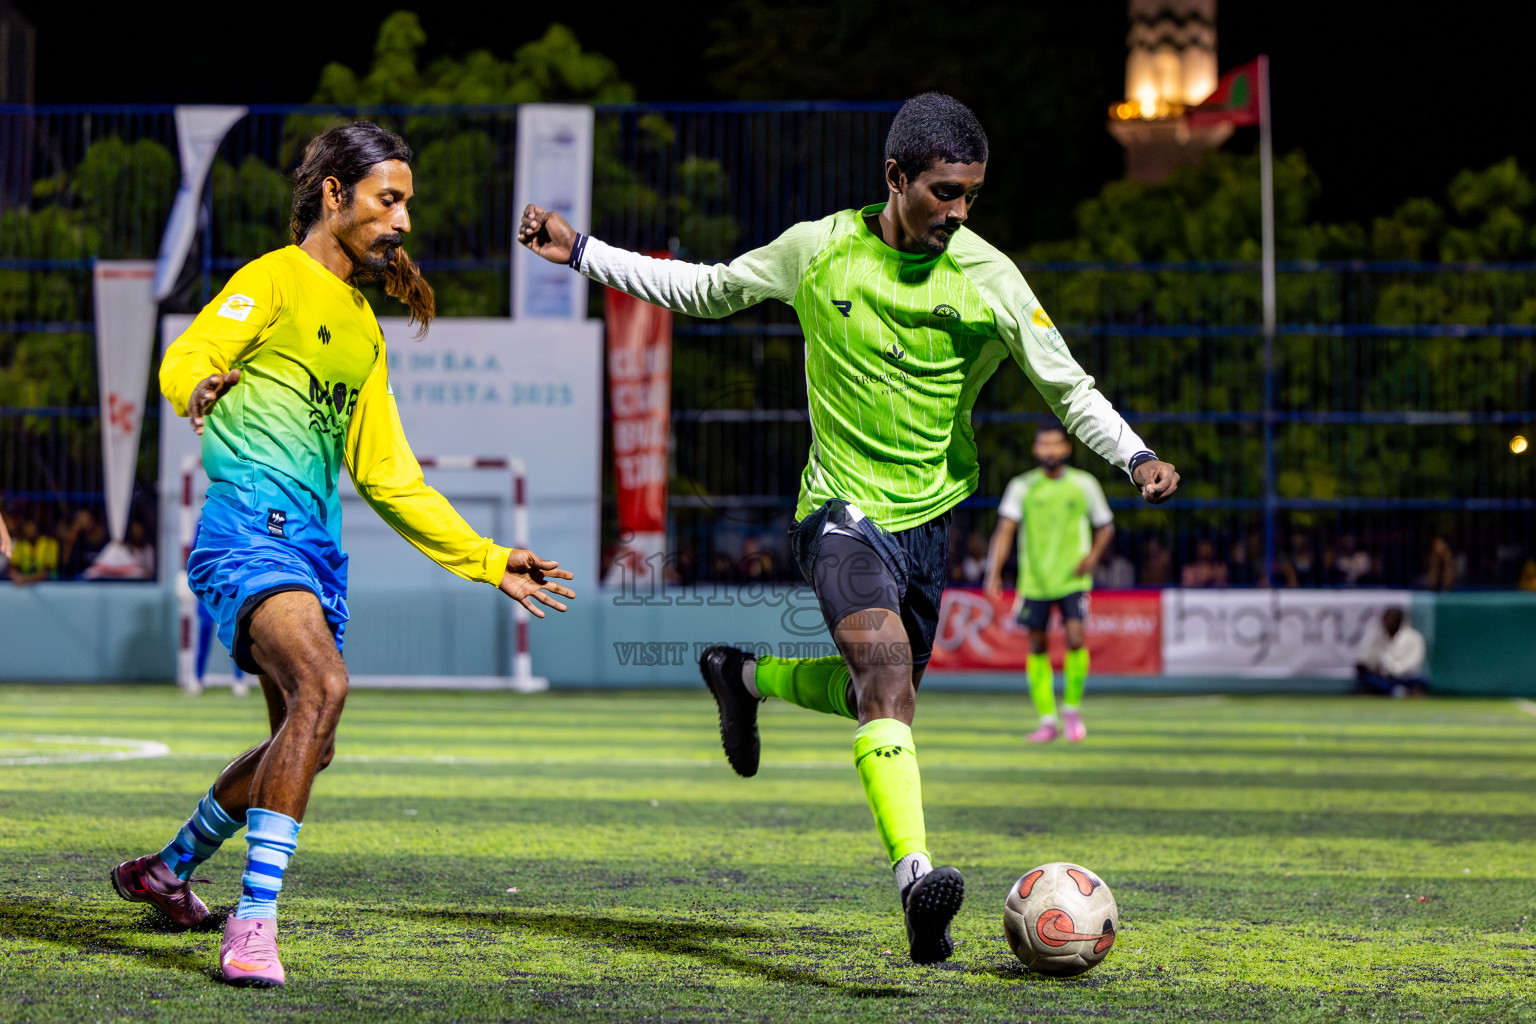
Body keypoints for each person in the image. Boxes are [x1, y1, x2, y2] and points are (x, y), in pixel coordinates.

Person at [520, 92, 1178, 965]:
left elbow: (1068, 387)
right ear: (895, 177)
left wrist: (1133, 456)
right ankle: (918, 884)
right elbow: (707, 289)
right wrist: (584, 252)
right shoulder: (817, 249)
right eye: (944, 192)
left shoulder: (989, 277)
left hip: (931, 520)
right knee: (882, 669)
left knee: (886, 697)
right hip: (838, 509)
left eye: (971, 195)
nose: (959, 211)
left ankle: (743, 677)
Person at [112, 122, 576, 989]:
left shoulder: (363, 325)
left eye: (407, 203)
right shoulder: (273, 279)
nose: (402, 219)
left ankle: (168, 870)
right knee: (324, 687)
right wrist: (198, 385)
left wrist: (483, 558)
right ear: (335, 195)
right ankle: (252, 931)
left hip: (313, 555)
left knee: (306, 742)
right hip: (249, 533)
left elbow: (389, 476)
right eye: (388, 199)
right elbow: (189, 355)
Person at [983, 423, 1115, 744]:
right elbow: (1005, 530)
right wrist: (993, 572)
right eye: (1044, 445)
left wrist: (1093, 557)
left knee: (1074, 637)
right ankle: (1047, 719)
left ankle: (1071, 709)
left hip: (1073, 577)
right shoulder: (1022, 485)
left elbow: (1106, 525)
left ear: (1067, 448)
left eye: (1056, 444)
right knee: (1037, 645)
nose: (1050, 450)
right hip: (1035, 580)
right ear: (1035, 450)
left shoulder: (1084, 484)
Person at [1354, 608, 1427, 697]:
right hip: (1382, 677)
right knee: (1366, 678)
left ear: (1400, 620)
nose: (1389, 622)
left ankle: (1394, 690)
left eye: (1393, 619)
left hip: (1405, 677)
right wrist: (1377, 666)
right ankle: (1399, 691)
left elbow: (1413, 661)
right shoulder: (1376, 636)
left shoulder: (1414, 637)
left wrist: (1392, 669)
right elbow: (1368, 659)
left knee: (1422, 680)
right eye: (1387, 619)